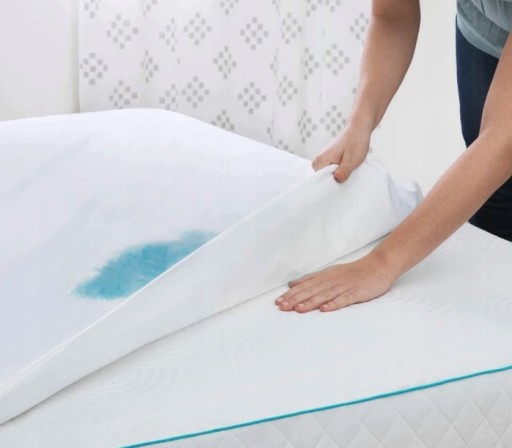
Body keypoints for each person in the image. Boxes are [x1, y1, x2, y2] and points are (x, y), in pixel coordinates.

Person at [275, 0, 512, 313]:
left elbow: (502, 139)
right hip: (482, 28)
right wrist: (360, 124)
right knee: (495, 206)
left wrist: (381, 264)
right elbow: (392, 18)